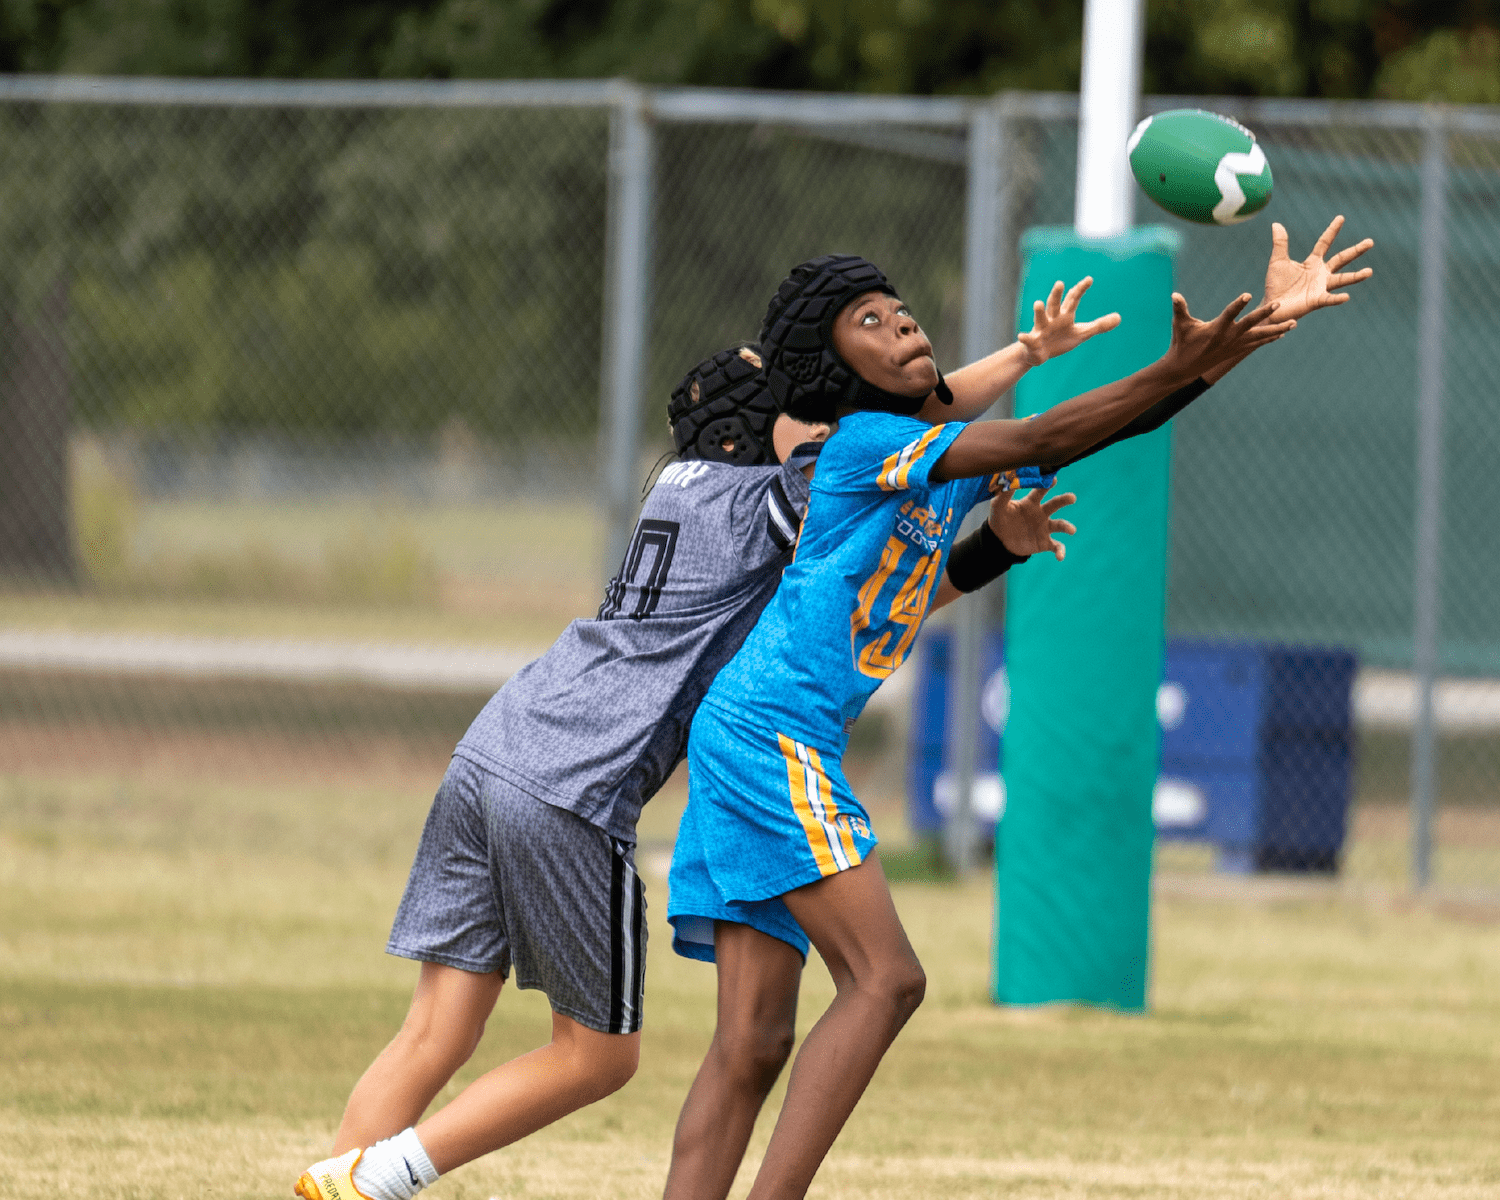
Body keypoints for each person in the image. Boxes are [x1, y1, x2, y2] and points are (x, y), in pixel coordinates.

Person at [289, 323, 1089, 1200]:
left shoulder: (679, 487)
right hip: (575, 784)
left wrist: (988, 542)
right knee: (598, 1056)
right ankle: (387, 1175)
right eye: (802, 411)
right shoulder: (765, 501)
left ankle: (341, 1180)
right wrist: (1018, 362)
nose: (825, 420)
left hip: (490, 748)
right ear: (756, 435)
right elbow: (911, 428)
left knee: (432, 1033)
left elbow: (873, 597)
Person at [662, 215, 1373, 1200]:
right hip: (767, 735)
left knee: (751, 1043)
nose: (902, 322)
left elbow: (1102, 433)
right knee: (887, 981)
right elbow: (1043, 433)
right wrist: (1184, 359)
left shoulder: (930, 457)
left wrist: (1247, 338)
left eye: (900, 308)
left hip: (754, 734)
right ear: (832, 369)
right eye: (869, 320)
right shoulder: (867, 443)